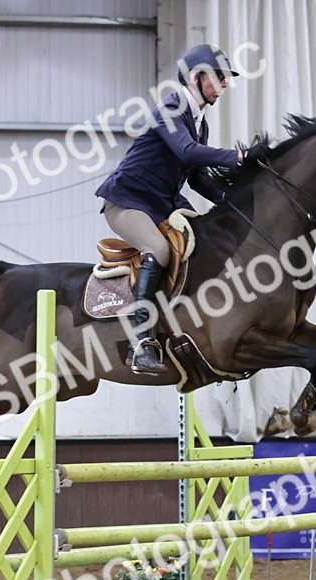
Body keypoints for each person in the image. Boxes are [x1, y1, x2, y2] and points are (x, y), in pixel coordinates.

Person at [95, 43, 243, 374]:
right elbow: (188, 152)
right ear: (196, 76)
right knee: (159, 250)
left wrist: (235, 204)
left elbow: (198, 180)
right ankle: (141, 344)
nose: (224, 84)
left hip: (161, 204)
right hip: (127, 201)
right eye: (219, 77)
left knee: (203, 244)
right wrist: (238, 157)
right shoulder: (172, 104)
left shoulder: (200, 123)